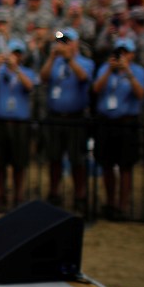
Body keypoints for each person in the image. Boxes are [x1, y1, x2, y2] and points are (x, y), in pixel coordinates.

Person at [40, 28, 95, 212]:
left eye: (68, 41)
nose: (64, 45)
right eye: (62, 41)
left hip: (75, 117)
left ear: (76, 43)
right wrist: (51, 58)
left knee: (76, 159)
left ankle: (80, 195)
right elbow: (43, 78)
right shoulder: (54, 62)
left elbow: (83, 77)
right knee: (54, 157)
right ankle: (54, 193)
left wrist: (69, 58)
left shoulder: (85, 62)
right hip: (55, 116)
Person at [93, 38, 144, 221]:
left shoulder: (138, 71)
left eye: (125, 53)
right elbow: (96, 89)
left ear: (132, 55)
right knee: (107, 164)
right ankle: (110, 203)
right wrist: (110, 70)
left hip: (127, 122)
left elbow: (141, 95)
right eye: (119, 52)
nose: (121, 56)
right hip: (107, 122)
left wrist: (128, 72)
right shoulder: (105, 68)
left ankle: (122, 206)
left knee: (125, 166)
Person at [0, 38, 36, 212]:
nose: (14, 57)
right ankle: (0, 195)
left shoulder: (27, 72)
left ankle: (18, 196)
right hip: (0, 122)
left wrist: (16, 70)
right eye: (11, 53)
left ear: (21, 56)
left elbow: (30, 87)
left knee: (19, 163)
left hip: (19, 124)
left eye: (17, 54)